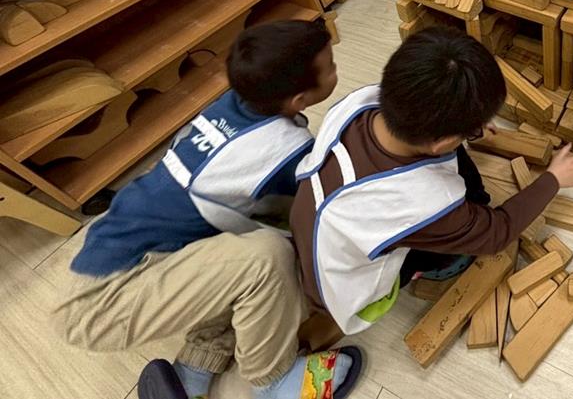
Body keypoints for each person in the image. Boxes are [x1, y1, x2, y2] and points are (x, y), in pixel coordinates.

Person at [57, 20, 364, 399]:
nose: (336, 70)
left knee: (237, 245)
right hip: (100, 305)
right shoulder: (282, 151)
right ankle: (275, 381)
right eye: (331, 66)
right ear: (299, 100)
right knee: (270, 256)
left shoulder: (232, 104)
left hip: (114, 257)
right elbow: (316, 217)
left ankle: (194, 370)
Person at [290, 27, 573, 338]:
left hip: (321, 230)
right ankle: (427, 269)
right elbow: (496, 234)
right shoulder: (421, 204)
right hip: (351, 293)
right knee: (456, 251)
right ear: (441, 142)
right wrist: (553, 179)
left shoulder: (359, 102)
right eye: (470, 130)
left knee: (453, 189)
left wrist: (469, 129)